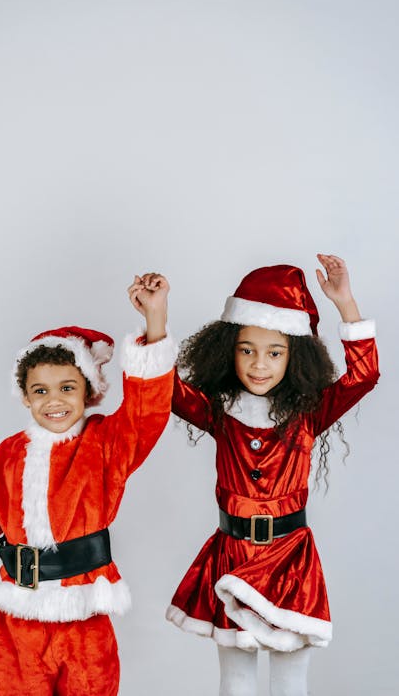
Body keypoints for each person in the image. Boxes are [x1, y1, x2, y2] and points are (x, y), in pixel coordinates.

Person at [0, 272, 177, 696]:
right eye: (41, 390)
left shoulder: (106, 443)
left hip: (84, 612)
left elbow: (147, 414)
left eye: (67, 388)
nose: (54, 401)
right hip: (16, 620)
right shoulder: (9, 454)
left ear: (88, 391)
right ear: (26, 397)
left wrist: (155, 320)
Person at [162, 255, 379, 696]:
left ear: (294, 357)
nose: (259, 364)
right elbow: (164, 387)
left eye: (274, 352)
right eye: (247, 350)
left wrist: (345, 304)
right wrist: (155, 316)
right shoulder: (219, 411)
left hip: (291, 563)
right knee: (236, 679)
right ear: (229, 351)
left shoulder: (309, 413)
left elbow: (363, 376)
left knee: (290, 680)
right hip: (233, 555)